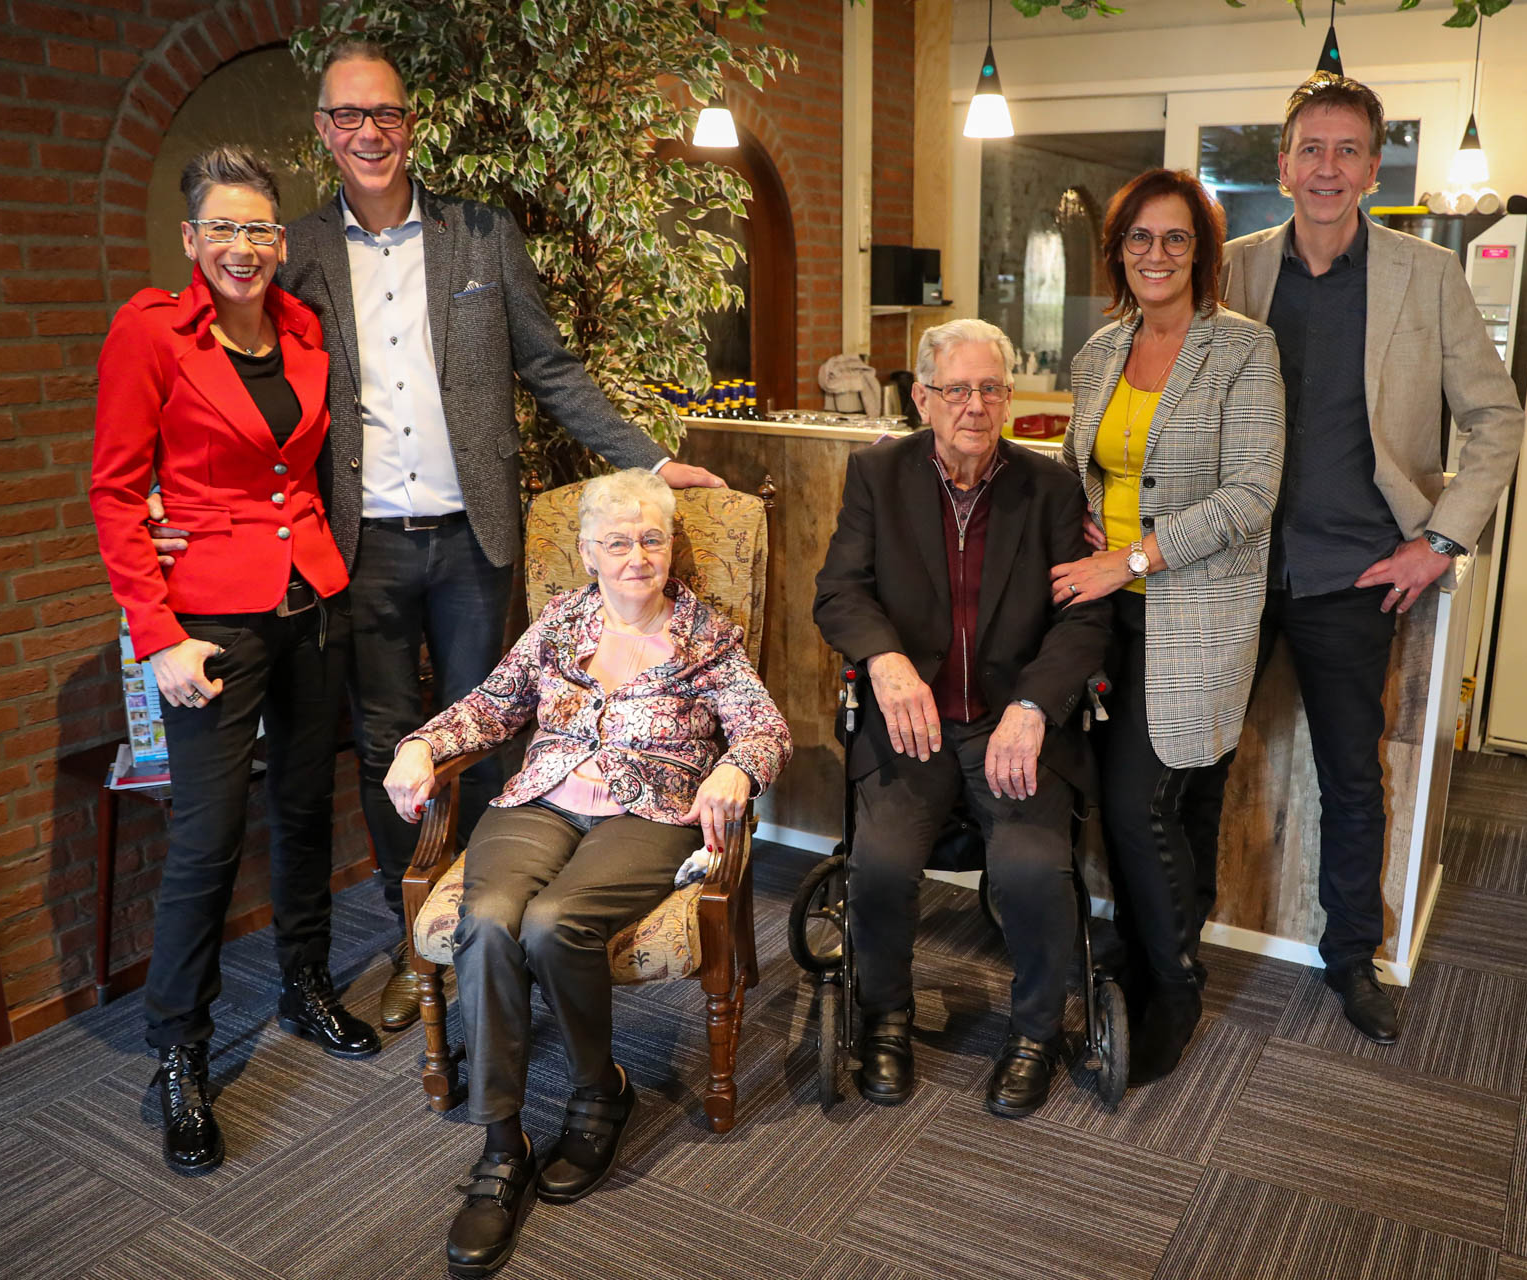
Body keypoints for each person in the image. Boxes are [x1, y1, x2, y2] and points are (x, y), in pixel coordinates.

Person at [146, 40, 726, 1032]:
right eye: (348, 116)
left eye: (386, 114)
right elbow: (240, 376)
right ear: (324, 132)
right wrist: (172, 501)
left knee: (491, 731)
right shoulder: (297, 251)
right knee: (388, 743)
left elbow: (550, 364)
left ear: (411, 126)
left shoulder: (482, 235)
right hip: (356, 544)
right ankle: (418, 934)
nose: (368, 132)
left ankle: (497, 928)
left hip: (471, 537)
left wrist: (649, 459)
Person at [380, 468, 789, 1278]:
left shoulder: (706, 637)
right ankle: (503, 1145)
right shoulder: (559, 623)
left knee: (552, 921)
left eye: (651, 538)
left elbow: (764, 728)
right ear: (587, 551)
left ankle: (600, 1089)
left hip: (647, 816)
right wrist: (421, 745)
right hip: (540, 803)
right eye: (616, 541)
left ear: (671, 546)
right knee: (489, 919)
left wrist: (735, 768)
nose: (636, 556)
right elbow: (491, 705)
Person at [89, 147, 380, 1176]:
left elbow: (300, 468)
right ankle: (181, 1050)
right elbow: (116, 493)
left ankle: (305, 983)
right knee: (207, 841)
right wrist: (158, 632)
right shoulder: (150, 333)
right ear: (190, 238)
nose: (243, 247)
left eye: (259, 228)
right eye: (223, 228)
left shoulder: (303, 329)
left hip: (314, 601)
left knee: (304, 809)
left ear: (280, 239)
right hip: (211, 624)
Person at [1219, 74, 1524, 1043]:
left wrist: (1439, 540)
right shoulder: (1230, 270)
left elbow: (1496, 418)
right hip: (1231, 564)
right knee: (1191, 756)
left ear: (1373, 167)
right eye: (1311, 149)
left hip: (1355, 572)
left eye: (1348, 150)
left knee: (1353, 778)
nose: (1328, 167)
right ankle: (1172, 937)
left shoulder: (1426, 276)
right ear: (1282, 165)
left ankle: (1351, 957)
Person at [813, 318, 1112, 1119]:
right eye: (956, 389)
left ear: (1008, 399)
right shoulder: (878, 475)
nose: (973, 406)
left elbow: (1084, 621)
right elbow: (839, 591)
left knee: (1032, 870)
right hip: (912, 725)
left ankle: (1034, 1034)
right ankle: (885, 1019)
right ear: (922, 398)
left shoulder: (1050, 490)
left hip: (1011, 727)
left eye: (989, 389)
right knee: (879, 866)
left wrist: (1033, 706)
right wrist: (885, 660)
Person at [1049, 169, 1285, 1086]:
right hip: (1107, 617)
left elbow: (1250, 496)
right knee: (1154, 806)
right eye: (1140, 238)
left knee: (1141, 804)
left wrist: (1133, 557)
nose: (1157, 254)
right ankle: (1150, 961)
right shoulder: (1099, 352)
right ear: (1118, 253)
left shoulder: (1243, 350)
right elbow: (1086, 464)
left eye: (1176, 238)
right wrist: (1081, 526)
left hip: (1198, 614)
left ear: (1202, 253)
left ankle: (1175, 989)